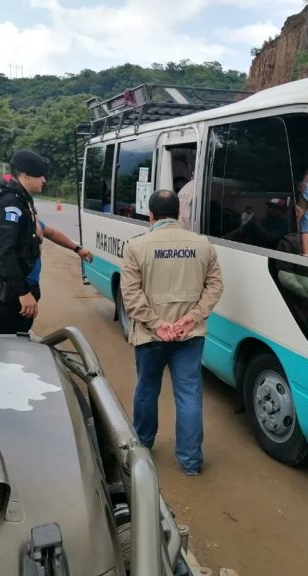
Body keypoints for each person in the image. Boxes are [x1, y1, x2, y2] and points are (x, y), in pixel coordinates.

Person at [120, 189, 223, 476]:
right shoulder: (202, 245)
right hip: (189, 338)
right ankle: (190, 463)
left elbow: (130, 294)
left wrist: (157, 324)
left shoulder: (136, 247)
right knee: (189, 395)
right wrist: (191, 319)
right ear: (178, 213)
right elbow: (215, 287)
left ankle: (142, 449)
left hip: (152, 337)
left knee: (146, 390)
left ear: (150, 215)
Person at [0, 149, 93, 334]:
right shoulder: (9, 204)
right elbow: (4, 251)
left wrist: (77, 248)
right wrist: (23, 292)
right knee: (11, 350)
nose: (44, 180)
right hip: (3, 293)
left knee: (18, 342)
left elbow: (47, 231)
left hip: (13, 289)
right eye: (40, 175)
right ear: (26, 175)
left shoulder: (22, 202)